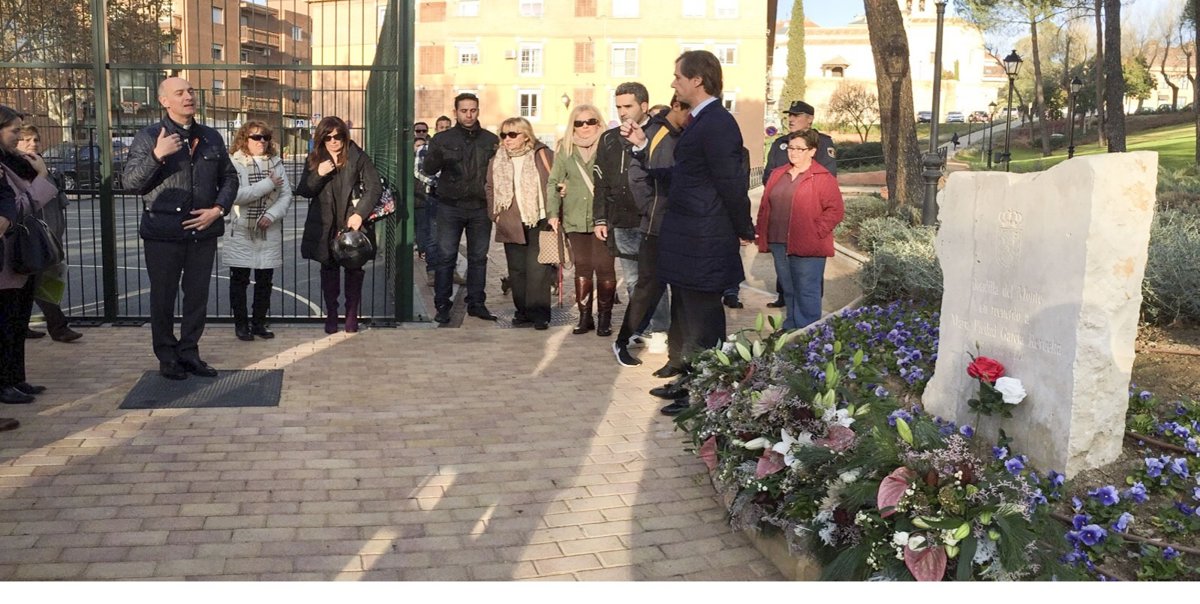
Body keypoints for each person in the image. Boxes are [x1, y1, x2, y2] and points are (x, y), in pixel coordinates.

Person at [628, 51, 754, 416]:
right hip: (689, 237)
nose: (674, 83)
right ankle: (688, 381)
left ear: (697, 80)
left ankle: (705, 396)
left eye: (678, 77)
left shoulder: (718, 123)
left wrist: (743, 227)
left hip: (705, 239)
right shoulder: (700, 121)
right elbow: (688, 175)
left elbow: (731, 183)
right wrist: (643, 150)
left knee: (704, 322)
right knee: (686, 315)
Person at [123, 78, 238, 380]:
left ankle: (189, 352)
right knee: (163, 297)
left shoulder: (211, 136)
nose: (188, 96)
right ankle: (167, 356)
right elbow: (131, 183)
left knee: (197, 297)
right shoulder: (149, 137)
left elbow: (229, 178)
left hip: (203, 232)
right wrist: (156, 155)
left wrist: (218, 209)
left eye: (190, 91)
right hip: (163, 234)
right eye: (180, 93)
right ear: (164, 101)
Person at [613, 96, 690, 368]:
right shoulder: (654, 133)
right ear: (677, 106)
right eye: (690, 110)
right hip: (656, 226)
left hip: (683, 227)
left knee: (683, 290)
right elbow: (637, 175)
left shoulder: (688, 134)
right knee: (647, 287)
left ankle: (679, 352)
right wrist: (651, 207)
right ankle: (622, 341)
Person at [297, 116, 381, 334]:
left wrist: (360, 214)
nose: (334, 141)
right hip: (325, 222)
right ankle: (332, 314)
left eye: (338, 136)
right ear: (321, 138)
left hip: (352, 221)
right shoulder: (315, 158)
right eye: (328, 137)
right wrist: (319, 174)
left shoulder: (358, 156)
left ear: (345, 136)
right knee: (329, 269)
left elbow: (374, 187)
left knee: (354, 269)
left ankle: (351, 314)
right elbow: (304, 190)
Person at [422, 93, 500, 324]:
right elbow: (428, 168)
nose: (469, 115)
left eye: (473, 110)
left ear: (478, 111)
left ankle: (476, 303)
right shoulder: (442, 139)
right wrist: (438, 154)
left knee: (478, 257)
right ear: (455, 112)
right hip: (450, 206)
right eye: (464, 110)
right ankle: (442, 304)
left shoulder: (490, 140)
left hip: (480, 207)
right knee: (446, 256)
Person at [755, 129, 844, 330]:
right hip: (779, 242)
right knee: (789, 290)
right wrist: (760, 231)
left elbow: (835, 210)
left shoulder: (822, 177)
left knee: (807, 291)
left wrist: (815, 231)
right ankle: (791, 329)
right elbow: (765, 206)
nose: (793, 152)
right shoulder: (778, 174)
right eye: (790, 148)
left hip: (808, 244)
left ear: (812, 151)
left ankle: (807, 334)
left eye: (799, 149)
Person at [0, 105, 57, 406]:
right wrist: (42, 179)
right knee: (6, 321)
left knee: (18, 319)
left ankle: (16, 378)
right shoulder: (4, 167)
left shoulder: (16, 162)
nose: (19, 137)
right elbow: (18, 206)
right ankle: (4, 383)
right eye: (14, 131)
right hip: (8, 255)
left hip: (23, 254)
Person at [547, 104, 615, 336]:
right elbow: (553, 181)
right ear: (572, 125)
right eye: (579, 122)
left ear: (598, 122)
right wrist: (553, 213)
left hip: (603, 217)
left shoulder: (608, 145)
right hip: (574, 215)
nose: (585, 126)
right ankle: (585, 317)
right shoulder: (565, 148)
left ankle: (605, 318)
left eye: (590, 121)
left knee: (604, 266)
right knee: (583, 266)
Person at [761, 100, 837, 309]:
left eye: (797, 115)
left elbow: (828, 179)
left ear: (810, 119)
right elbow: (768, 176)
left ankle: (808, 312)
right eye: (790, 115)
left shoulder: (822, 143)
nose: (791, 119)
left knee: (808, 279)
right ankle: (784, 298)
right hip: (781, 219)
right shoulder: (780, 143)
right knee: (785, 270)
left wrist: (816, 229)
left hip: (806, 219)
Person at [224, 120, 292, 341]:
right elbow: (235, 195)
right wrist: (268, 184)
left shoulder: (276, 163)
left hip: (268, 230)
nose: (261, 141)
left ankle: (259, 323)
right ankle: (241, 325)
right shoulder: (234, 163)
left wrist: (271, 215)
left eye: (265, 137)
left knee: (265, 280)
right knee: (239, 280)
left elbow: (286, 195)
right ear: (244, 139)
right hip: (241, 229)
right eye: (256, 137)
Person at [486, 117, 554, 330]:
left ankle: (540, 314)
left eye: (512, 134)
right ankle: (522, 311)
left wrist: (555, 213)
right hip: (510, 221)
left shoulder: (542, 154)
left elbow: (555, 182)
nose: (507, 139)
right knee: (517, 270)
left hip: (538, 219)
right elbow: (489, 187)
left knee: (538, 269)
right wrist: (495, 215)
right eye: (503, 135)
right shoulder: (497, 160)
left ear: (526, 136)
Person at [16, 124, 82, 343]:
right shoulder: (17, 170)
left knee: (41, 281)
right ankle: (58, 327)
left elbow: (57, 200)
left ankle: (24, 326)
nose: (32, 144)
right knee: (35, 281)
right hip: (30, 238)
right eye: (26, 140)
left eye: (35, 139)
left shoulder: (41, 166)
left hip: (50, 235)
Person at [593, 82, 652, 327]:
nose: (622, 112)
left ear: (644, 106)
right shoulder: (609, 138)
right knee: (632, 280)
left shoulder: (659, 134)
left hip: (652, 218)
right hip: (622, 219)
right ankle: (640, 327)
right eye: (618, 107)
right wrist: (600, 218)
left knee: (653, 278)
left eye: (628, 106)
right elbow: (600, 182)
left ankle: (659, 328)